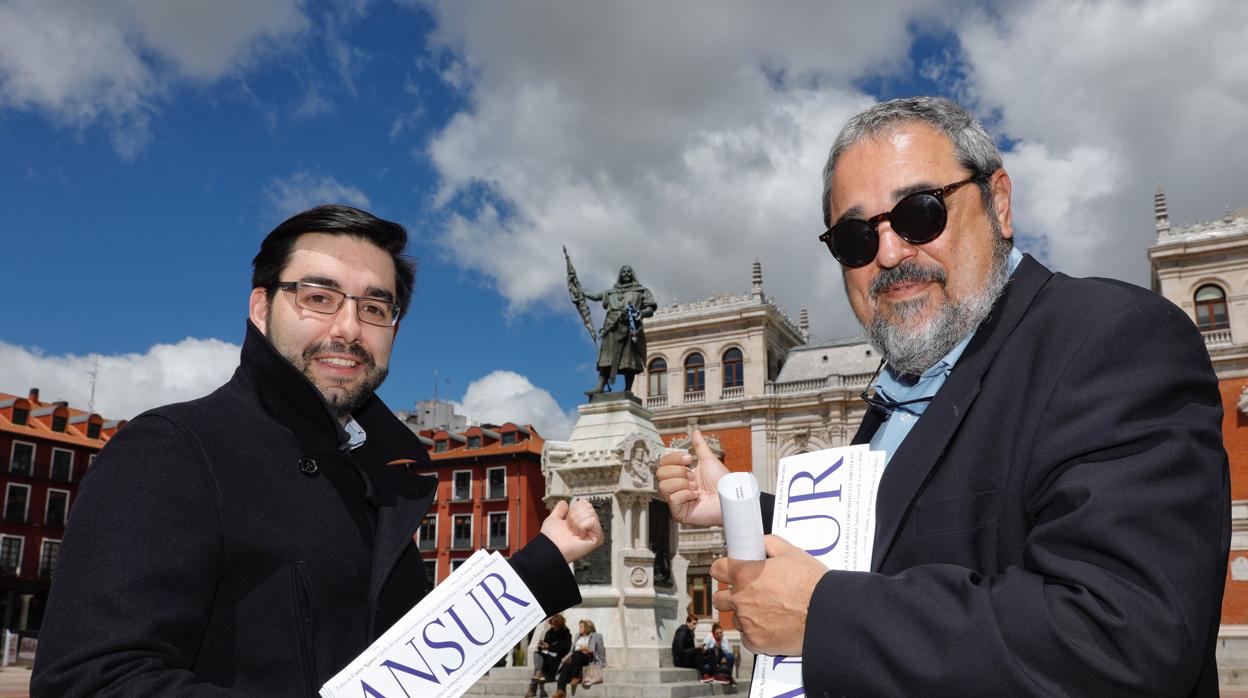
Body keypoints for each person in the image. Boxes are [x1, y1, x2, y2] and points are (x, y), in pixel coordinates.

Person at [657, 97, 1229, 695]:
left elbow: (1122, 638)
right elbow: (904, 528)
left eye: (921, 213)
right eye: (855, 238)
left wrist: (827, 615)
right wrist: (739, 502)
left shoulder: (1111, 338)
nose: (890, 253)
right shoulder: (906, 387)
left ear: (998, 202)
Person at [31, 205, 604, 696]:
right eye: (318, 296)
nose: (350, 328)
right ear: (261, 308)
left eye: (374, 308)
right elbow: (91, 680)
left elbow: (401, 670)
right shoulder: (171, 451)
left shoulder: (382, 476)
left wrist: (541, 563)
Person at [583, 265, 657, 394]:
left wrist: (640, 312)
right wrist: (580, 291)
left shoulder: (641, 291)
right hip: (611, 327)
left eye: (629, 271)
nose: (626, 273)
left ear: (632, 274)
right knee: (606, 357)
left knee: (629, 359)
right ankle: (600, 387)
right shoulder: (611, 292)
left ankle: (628, 389)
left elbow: (650, 308)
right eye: (624, 271)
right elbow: (594, 296)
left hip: (630, 327)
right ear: (620, 275)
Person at [554, 619, 605, 698]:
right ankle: (561, 691)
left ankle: (576, 677)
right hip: (575, 657)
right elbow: (572, 650)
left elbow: (601, 651)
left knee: (577, 653)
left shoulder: (596, 636)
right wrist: (567, 657)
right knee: (566, 665)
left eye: (581, 627)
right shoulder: (577, 635)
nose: (579, 628)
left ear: (588, 627)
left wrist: (602, 662)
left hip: (588, 657)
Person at [527, 614, 572, 698]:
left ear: (559, 625)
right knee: (537, 654)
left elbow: (563, 648)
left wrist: (549, 647)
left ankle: (533, 688)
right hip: (548, 660)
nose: (552, 626)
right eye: (551, 624)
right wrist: (541, 646)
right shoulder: (549, 633)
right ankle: (538, 673)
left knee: (539, 668)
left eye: (554, 624)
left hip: (558, 661)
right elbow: (545, 647)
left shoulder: (567, 635)